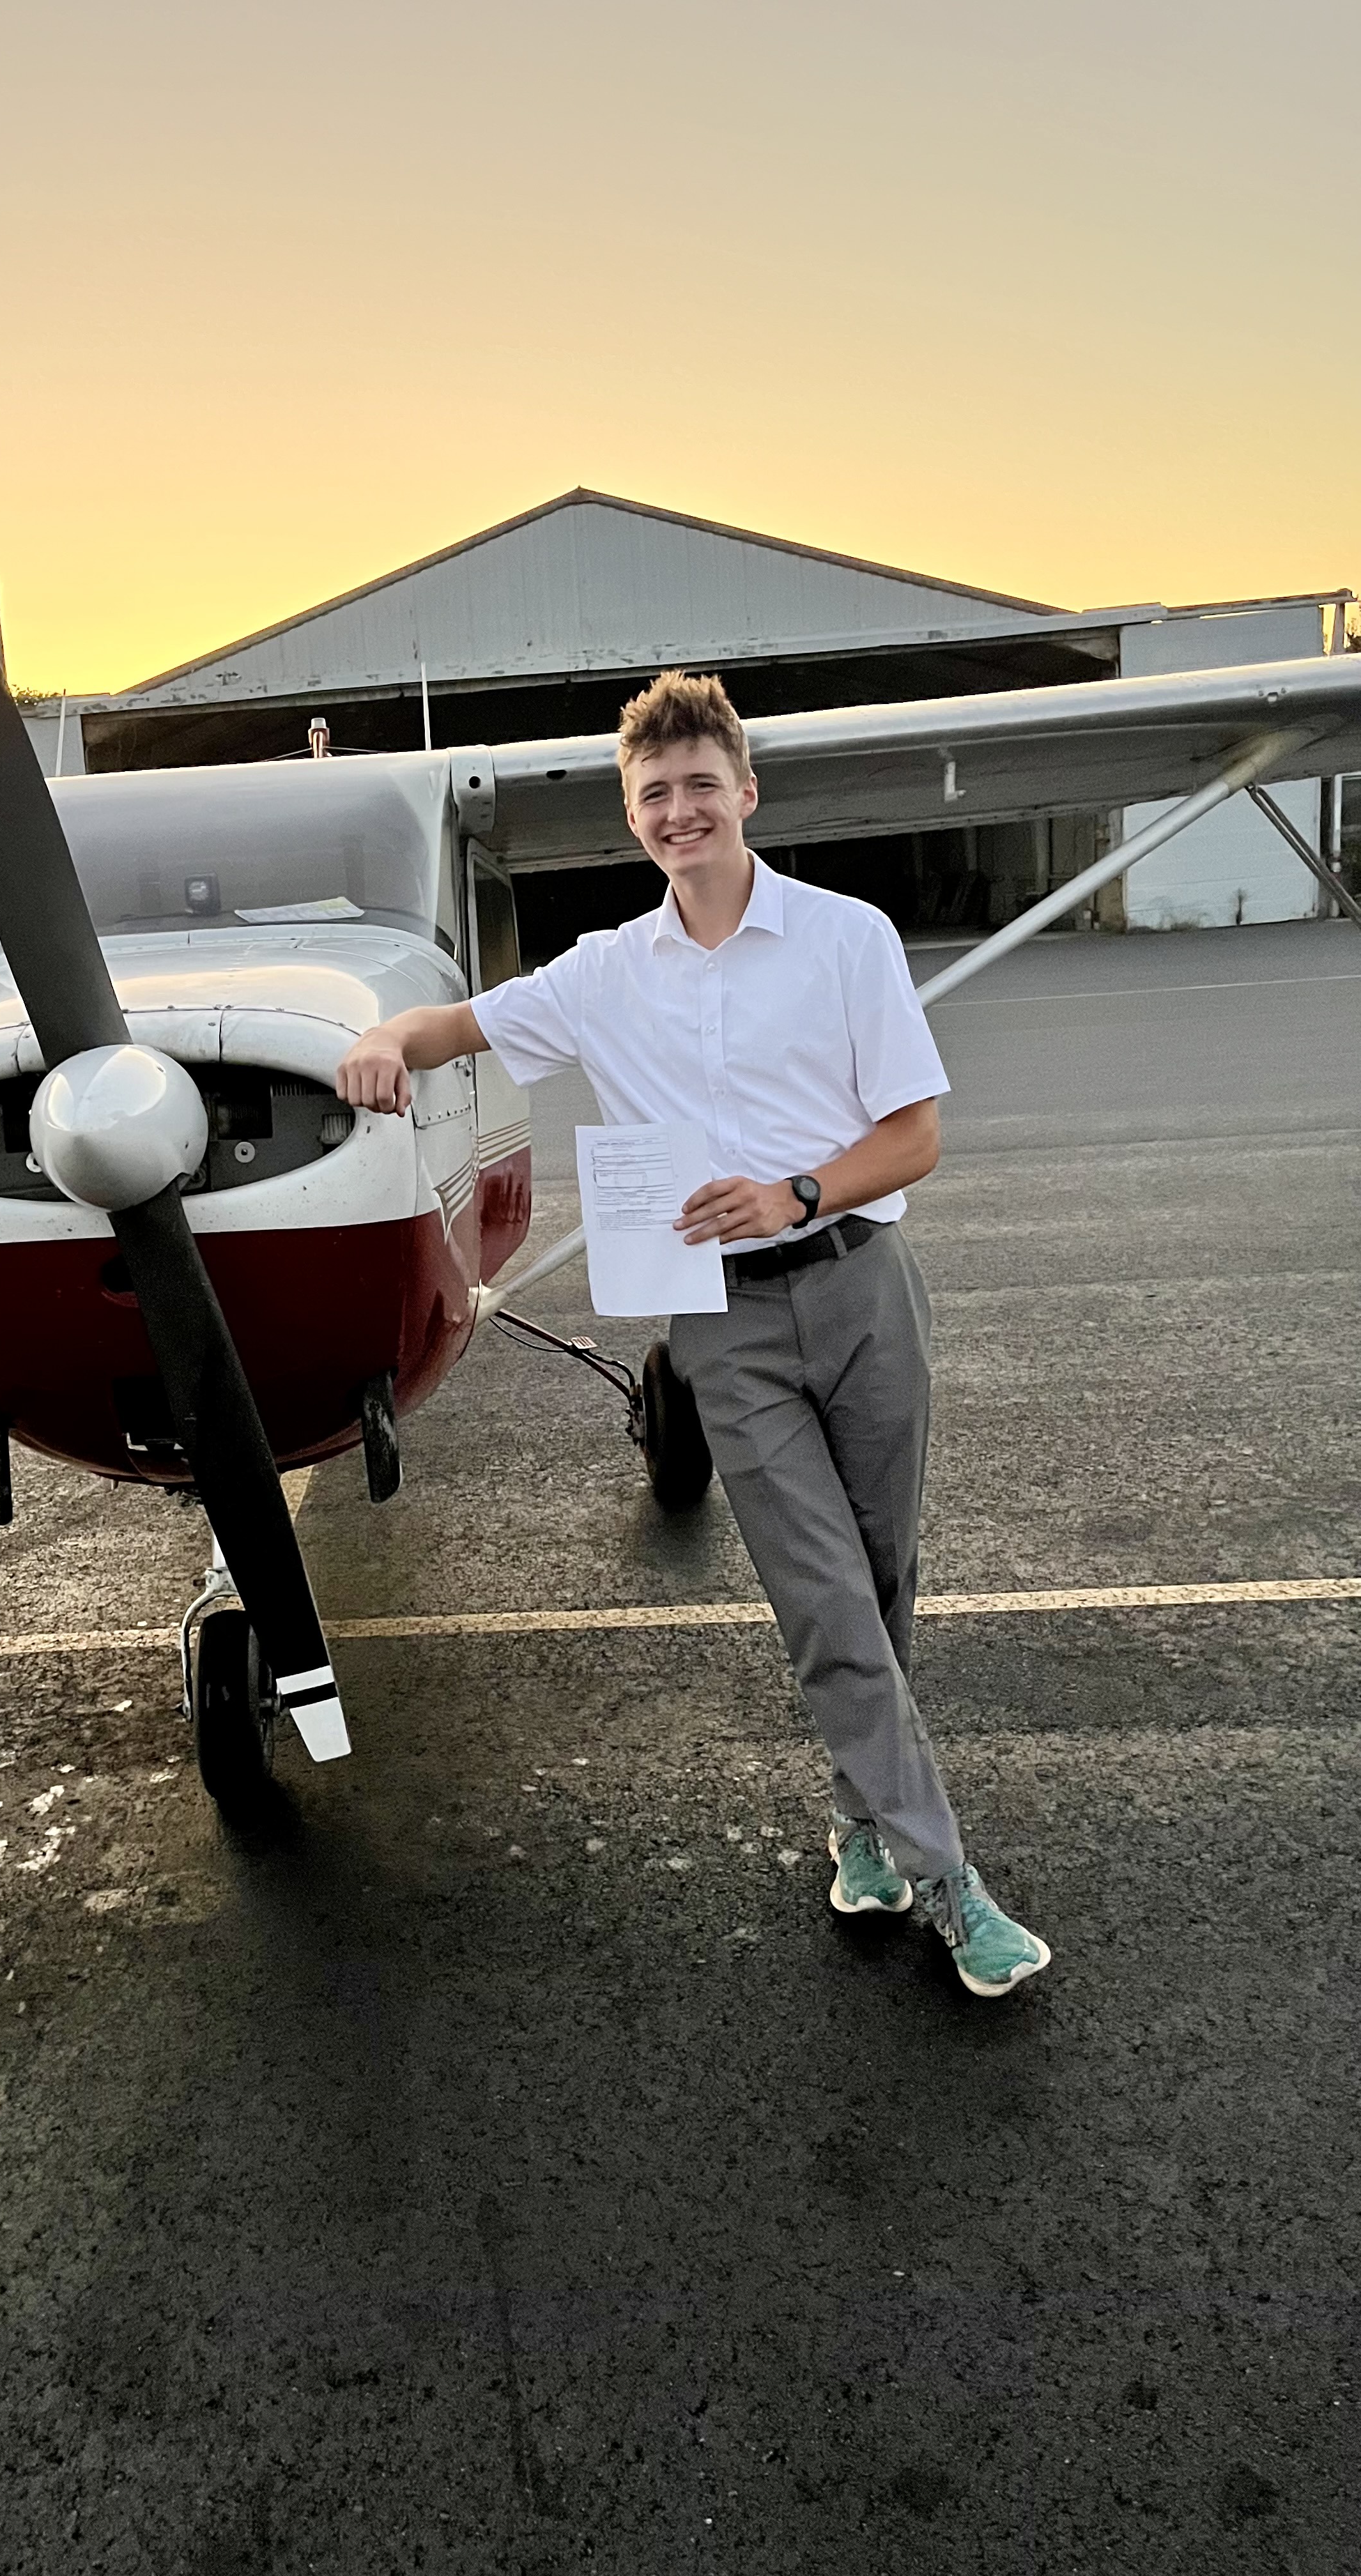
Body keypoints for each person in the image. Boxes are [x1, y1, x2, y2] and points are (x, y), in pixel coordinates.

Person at [334, 668, 1049, 1999]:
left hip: (862, 1284)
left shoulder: (848, 939)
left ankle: (859, 1826)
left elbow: (917, 1136)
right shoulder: (607, 974)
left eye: (700, 787)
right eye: (654, 794)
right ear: (633, 813)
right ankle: (951, 1884)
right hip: (722, 1327)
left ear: (746, 792)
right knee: (827, 1601)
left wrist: (793, 1190)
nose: (680, 812)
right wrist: (386, 1034)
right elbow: (461, 1024)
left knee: (883, 1586)